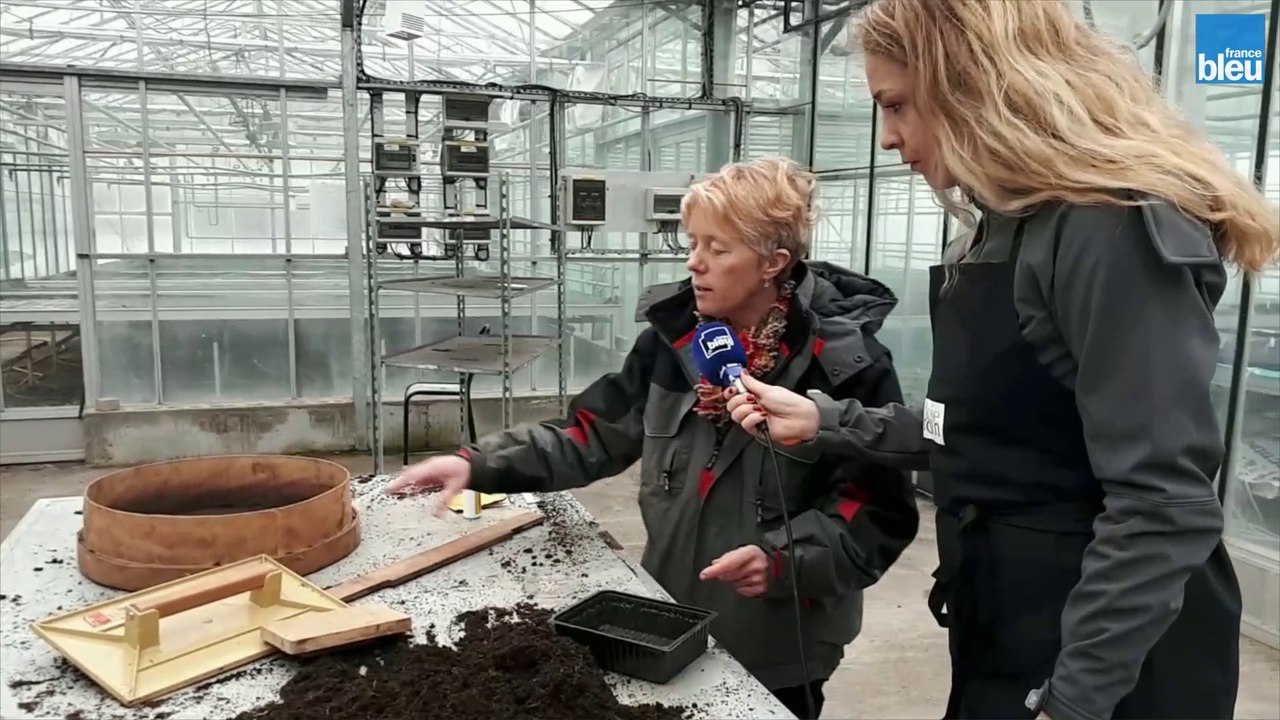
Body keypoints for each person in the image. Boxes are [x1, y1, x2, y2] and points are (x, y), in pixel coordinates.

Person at [724, 2, 1279, 720]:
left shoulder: (1108, 227)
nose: (888, 139)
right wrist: (828, 419)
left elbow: (1161, 505)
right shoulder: (1012, 224)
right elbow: (993, 428)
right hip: (1011, 620)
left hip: (1113, 660)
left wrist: (1072, 701)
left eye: (896, 106)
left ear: (976, 84)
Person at [387, 156, 920, 718]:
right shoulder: (677, 342)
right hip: (669, 611)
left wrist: (787, 559)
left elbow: (876, 511)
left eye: (718, 248)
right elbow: (590, 432)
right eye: (693, 243)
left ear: (773, 262)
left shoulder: (845, 366)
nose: (695, 263)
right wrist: (478, 464)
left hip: (781, 637)